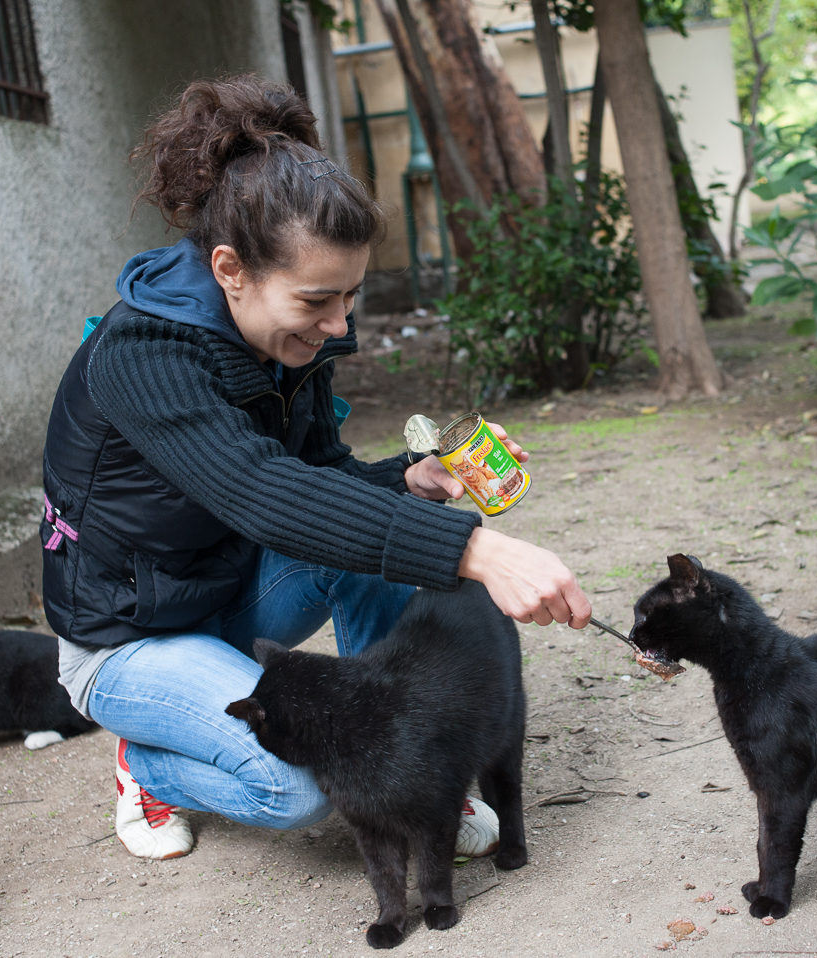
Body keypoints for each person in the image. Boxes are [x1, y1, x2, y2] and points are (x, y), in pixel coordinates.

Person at [40, 76, 591, 860]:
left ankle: (413, 762)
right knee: (296, 788)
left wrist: (407, 478)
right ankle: (151, 767)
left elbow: (319, 482)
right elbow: (262, 492)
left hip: (227, 588)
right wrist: (479, 550)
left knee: (377, 545)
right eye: (317, 302)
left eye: (352, 296)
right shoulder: (141, 356)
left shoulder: (289, 339)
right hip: (129, 639)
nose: (339, 326)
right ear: (231, 269)